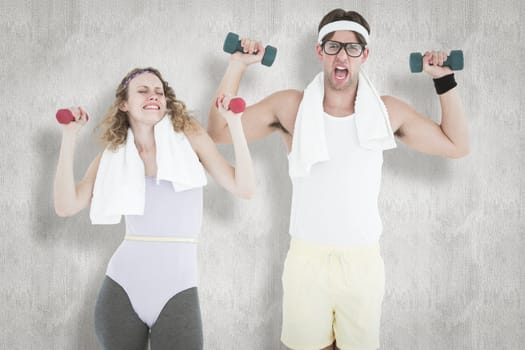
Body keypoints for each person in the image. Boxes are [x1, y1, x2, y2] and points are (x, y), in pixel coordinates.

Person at [207, 9, 469, 350]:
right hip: (307, 260)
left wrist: (444, 79)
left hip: (362, 263)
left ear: (365, 55)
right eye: (333, 46)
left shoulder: (387, 112)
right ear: (319, 52)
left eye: (352, 48)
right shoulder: (291, 107)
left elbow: (457, 145)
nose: (342, 55)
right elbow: (219, 130)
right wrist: (237, 65)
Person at [54, 67, 255, 350]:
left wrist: (235, 123)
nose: (154, 95)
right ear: (124, 104)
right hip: (122, 288)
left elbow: (244, 188)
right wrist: (69, 136)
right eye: (143, 90)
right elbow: (66, 205)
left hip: (178, 287)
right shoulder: (112, 157)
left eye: (159, 91)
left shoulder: (190, 139)